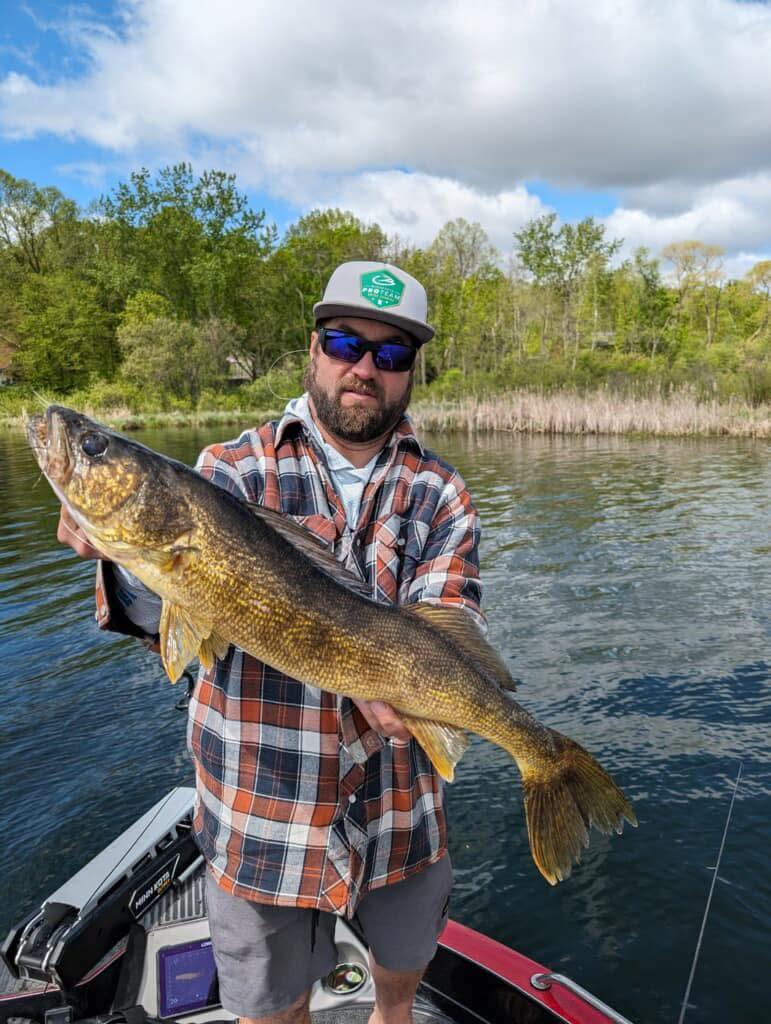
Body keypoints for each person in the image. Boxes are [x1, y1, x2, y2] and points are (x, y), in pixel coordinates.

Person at [58, 261, 485, 1024]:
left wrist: (416, 696)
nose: (364, 368)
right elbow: (162, 617)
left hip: (402, 810)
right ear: (312, 350)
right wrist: (122, 562)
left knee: (402, 976)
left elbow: (449, 616)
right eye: (344, 342)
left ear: (411, 372)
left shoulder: (441, 492)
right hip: (261, 811)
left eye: (390, 355)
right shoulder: (229, 470)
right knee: (271, 1008)